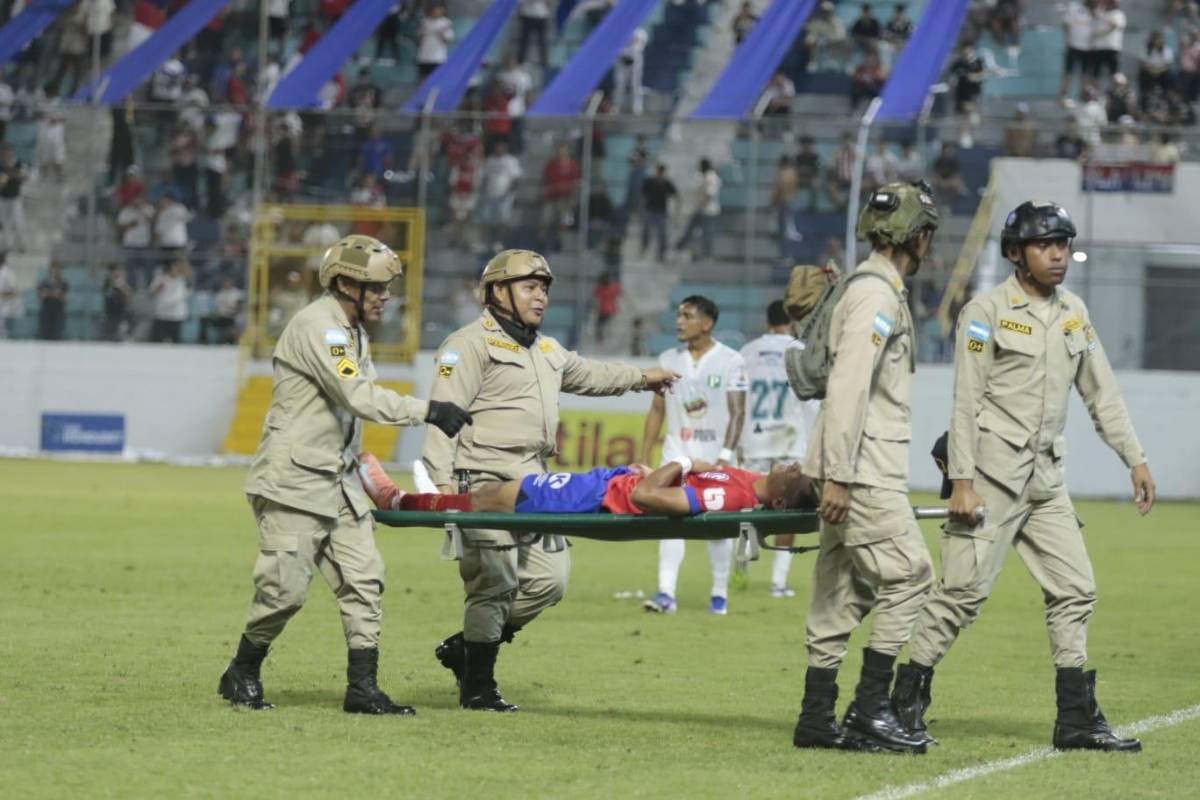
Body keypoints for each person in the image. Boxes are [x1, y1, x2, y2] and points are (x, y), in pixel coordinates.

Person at [893, 202, 1155, 753]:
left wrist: (1135, 458)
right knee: (962, 594)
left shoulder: (1073, 312)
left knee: (1076, 590)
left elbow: (1099, 392)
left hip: (1046, 480)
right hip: (989, 478)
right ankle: (903, 706)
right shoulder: (984, 312)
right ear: (1016, 253)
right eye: (1045, 245)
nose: (1058, 254)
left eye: (1063, 243)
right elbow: (964, 402)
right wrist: (961, 479)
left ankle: (1077, 719)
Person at [217, 235, 473, 715]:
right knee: (284, 592)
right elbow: (359, 396)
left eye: (385, 288)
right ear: (343, 284)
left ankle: (362, 689)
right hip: (294, 481)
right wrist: (430, 410)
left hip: (338, 481)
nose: (385, 297)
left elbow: (354, 402)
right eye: (375, 288)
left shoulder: (352, 331)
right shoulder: (322, 328)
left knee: (365, 579)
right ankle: (243, 669)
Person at [422, 250, 677, 713]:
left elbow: (593, 374)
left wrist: (642, 378)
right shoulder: (465, 346)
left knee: (549, 581)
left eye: (544, 288)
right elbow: (441, 418)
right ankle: (478, 686)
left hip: (536, 484)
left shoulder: (545, 349)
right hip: (480, 480)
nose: (541, 296)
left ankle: (467, 647)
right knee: (494, 584)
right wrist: (441, 492)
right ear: (498, 291)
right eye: (529, 286)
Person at [792, 181, 939, 754]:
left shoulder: (862, 287)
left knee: (842, 591)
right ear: (916, 237)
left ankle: (815, 716)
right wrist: (842, 476)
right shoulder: (877, 296)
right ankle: (870, 712)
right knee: (912, 574)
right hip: (862, 468)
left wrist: (830, 470)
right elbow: (850, 383)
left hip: (843, 463)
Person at [642, 295, 747, 616]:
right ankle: (665, 593)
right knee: (670, 523)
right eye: (678, 315)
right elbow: (657, 410)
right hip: (677, 453)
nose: (679, 321)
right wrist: (645, 455)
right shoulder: (668, 359)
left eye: (686, 316)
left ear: (707, 323)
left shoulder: (732, 361)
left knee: (717, 527)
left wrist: (726, 457)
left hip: (716, 456)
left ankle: (719, 595)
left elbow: (738, 412)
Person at [360, 454, 813, 517]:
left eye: (796, 474)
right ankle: (425, 495)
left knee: (490, 498)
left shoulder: (729, 496)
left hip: (598, 496)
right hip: (607, 483)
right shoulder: (751, 482)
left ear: (779, 498)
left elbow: (646, 496)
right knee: (493, 492)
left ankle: (401, 500)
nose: (794, 463)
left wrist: (677, 462)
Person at [739, 301, 820, 598]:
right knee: (792, 508)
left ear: (767, 321)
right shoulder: (801, 351)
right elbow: (812, 402)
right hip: (790, 441)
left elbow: (736, 398)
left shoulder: (747, 352)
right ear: (795, 321)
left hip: (754, 440)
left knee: (748, 506)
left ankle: (742, 562)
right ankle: (778, 581)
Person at [674, 159, 721, 258]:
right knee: (690, 228)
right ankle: (680, 246)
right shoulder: (703, 177)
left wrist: (700, 206)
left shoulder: (711, 177)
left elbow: (709, 195)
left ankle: (708, 254)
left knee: (707, 233)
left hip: (708, 211)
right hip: (701, 209)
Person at [37, 262, 69, 341]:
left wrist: (50, 293)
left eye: (57, 269)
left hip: (58, 311)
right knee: (45, 333)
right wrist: (55, 293)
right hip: (46, 310)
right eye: (53, 269)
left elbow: (65, 298)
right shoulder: (44, 283)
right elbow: (42, 296)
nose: (55, 271)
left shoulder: (63, 283)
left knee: (57, 334)